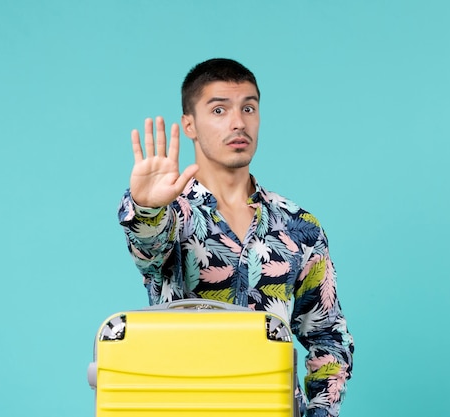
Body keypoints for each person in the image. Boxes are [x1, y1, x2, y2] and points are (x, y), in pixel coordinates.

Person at [118, 58, 354, 417]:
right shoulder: (174, 216)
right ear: (190, 125)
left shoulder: (298, 226)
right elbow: (148, 248)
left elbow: (327, 338)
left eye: (248, 108)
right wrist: (146, 207)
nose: (238, 122)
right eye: (218, 109)